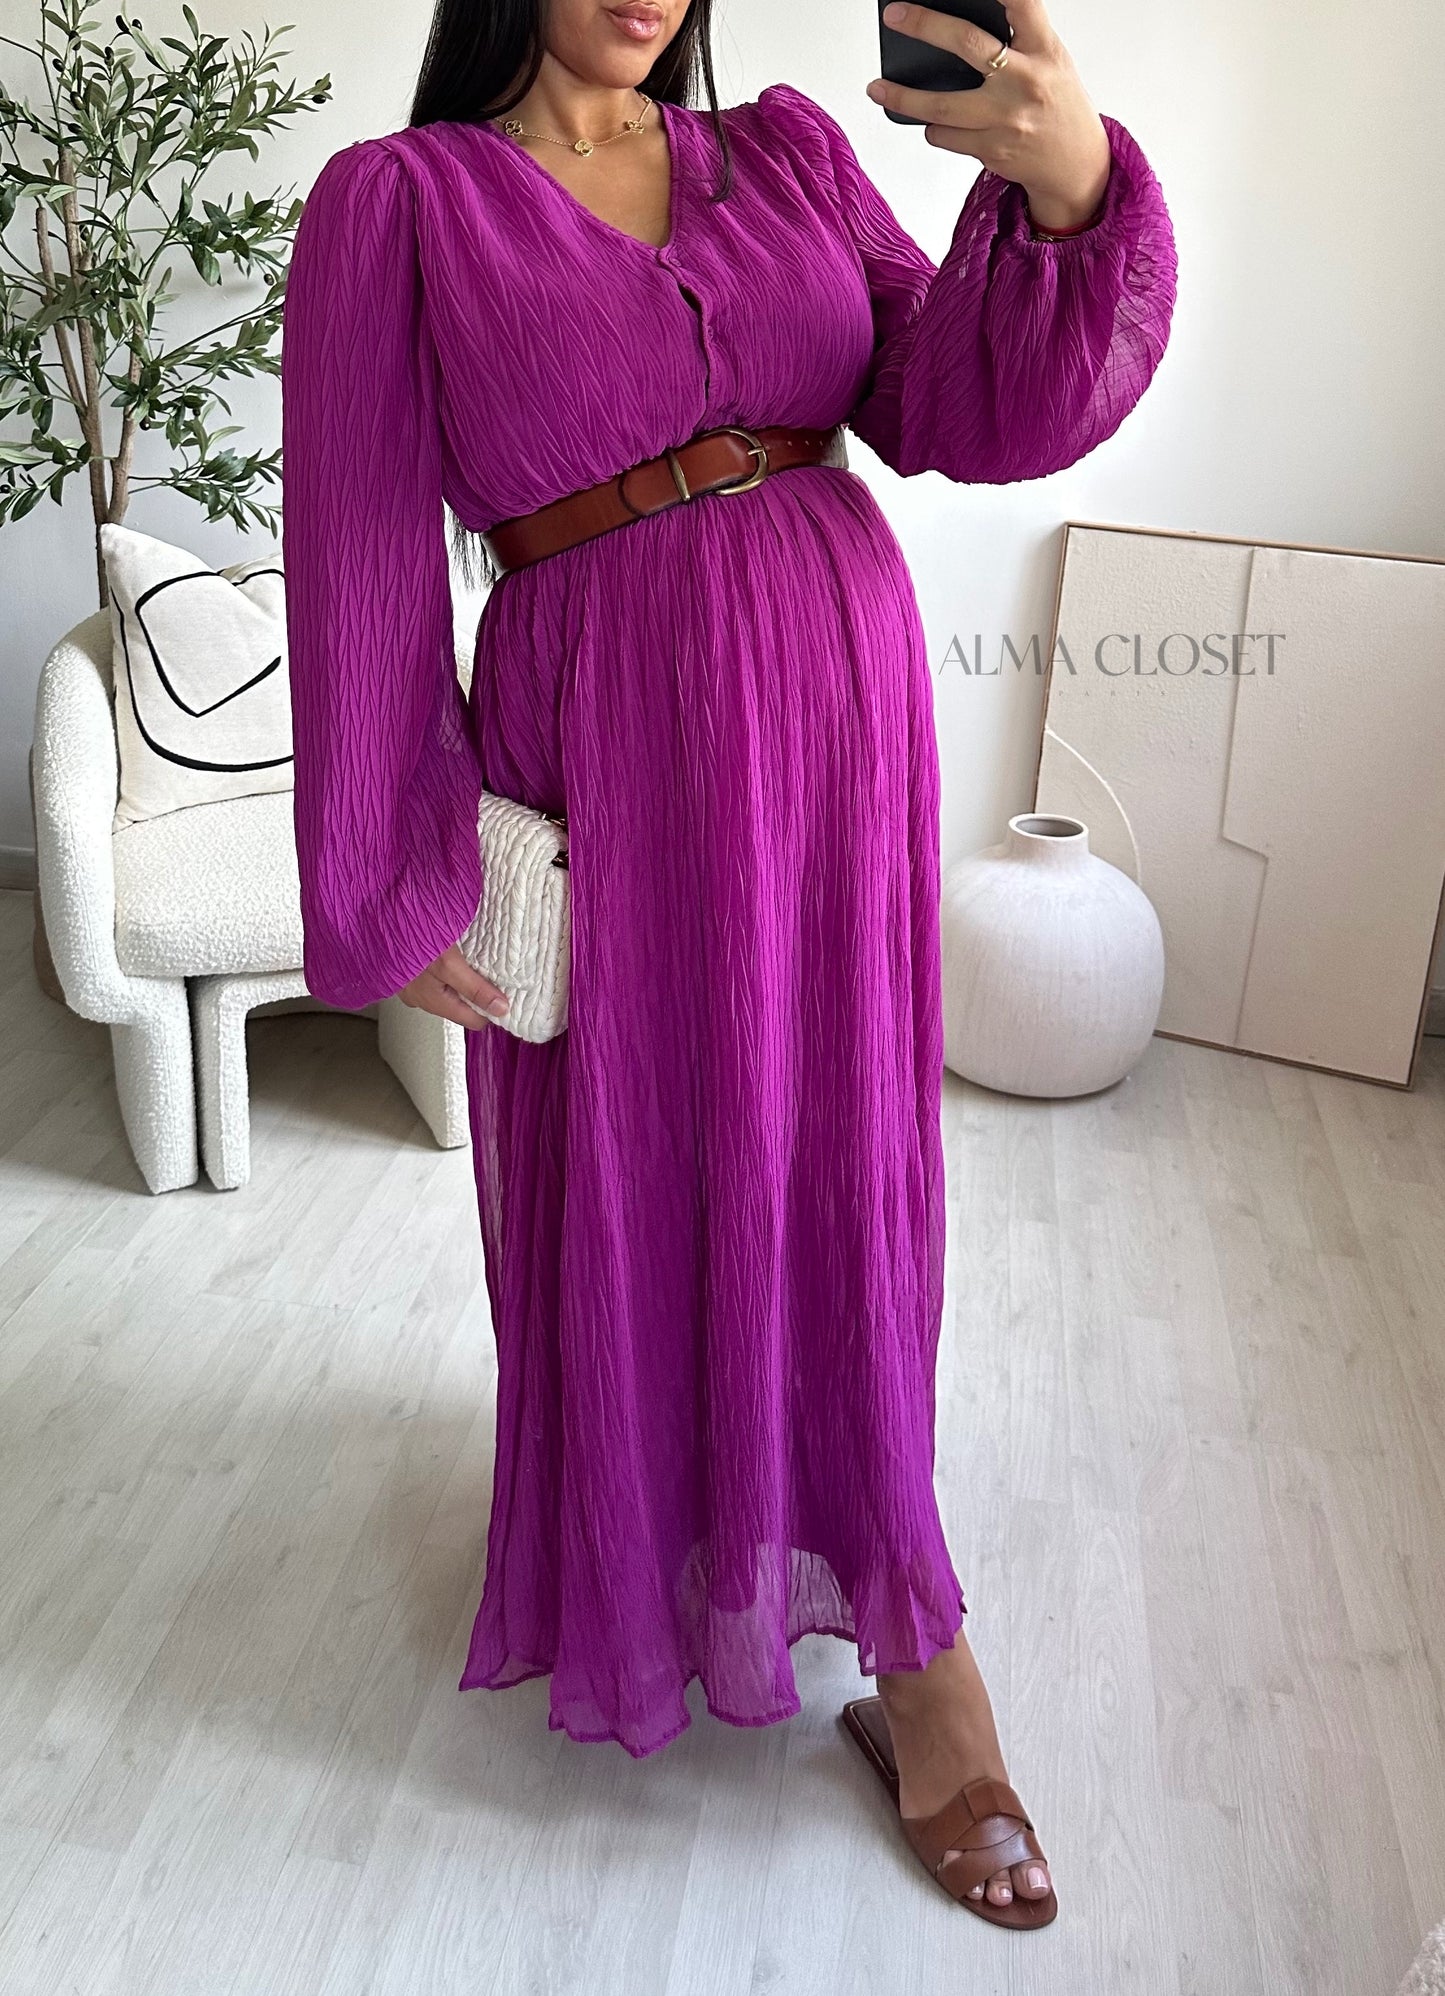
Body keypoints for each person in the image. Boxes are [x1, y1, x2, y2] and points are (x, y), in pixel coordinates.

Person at [279, 0, 1176, 1929]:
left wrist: (1066, 186)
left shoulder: (781, 152)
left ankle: (917, 1657)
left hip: (836, 710)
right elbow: (354, 542)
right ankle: (654, 1542)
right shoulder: (398, 205)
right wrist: (385, 859)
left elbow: (957, 405)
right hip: (603, 736)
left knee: (839, 1155)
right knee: (646, 1151)